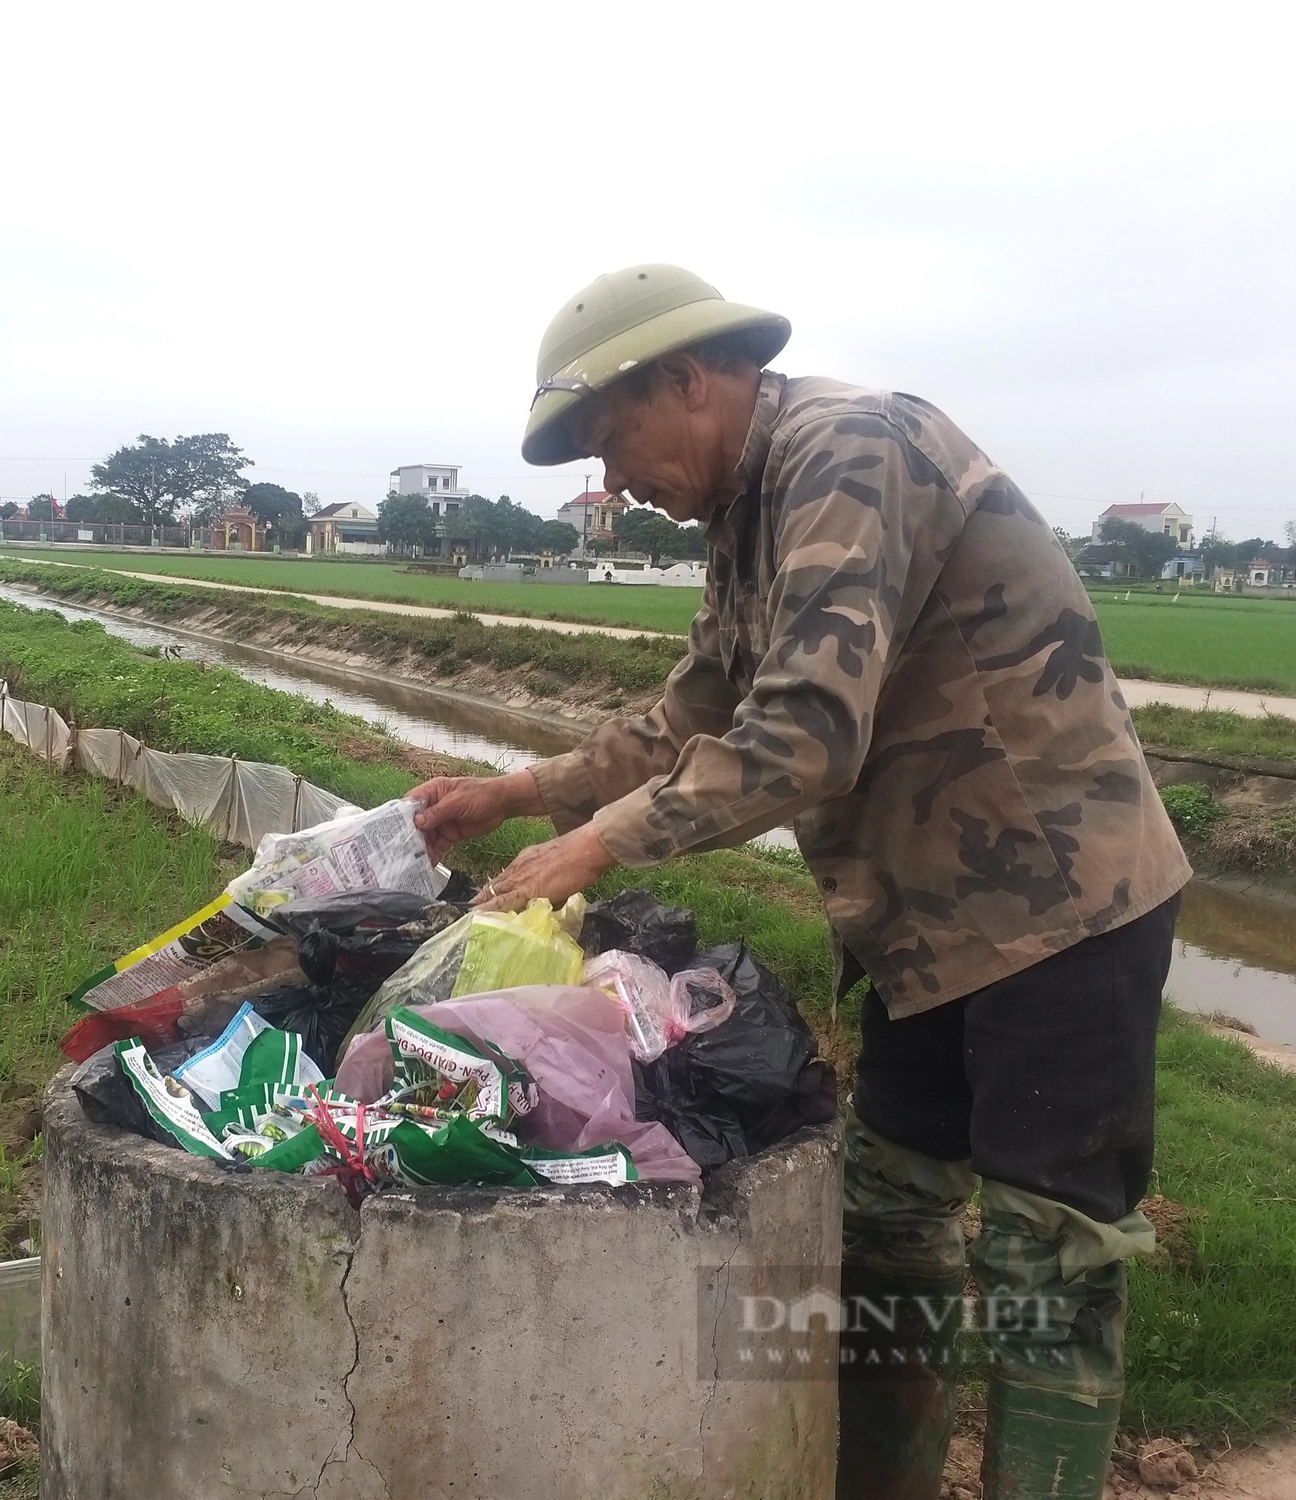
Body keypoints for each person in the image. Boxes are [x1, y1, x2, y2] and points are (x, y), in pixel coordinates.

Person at [409, 264, 1191, 1500]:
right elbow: (690, 718)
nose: (612, 485)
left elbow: (801, 734)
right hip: (921, 923)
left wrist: (597, 845)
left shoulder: (847, 452)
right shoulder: (742, 513)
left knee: (1052, 1257)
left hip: (1056, 900)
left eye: (612, 444)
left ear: (685, 379)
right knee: (889, 1222)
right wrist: (514, 797)